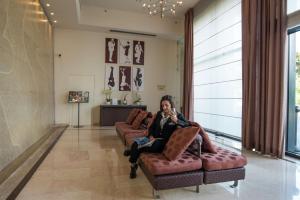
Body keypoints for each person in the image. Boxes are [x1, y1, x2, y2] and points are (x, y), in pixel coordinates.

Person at [126, 95, 189, 179]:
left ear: (171, 105)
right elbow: (152, 127)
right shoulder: (159, 114)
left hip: (161, 141)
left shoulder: (177, 115)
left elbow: (187, 124)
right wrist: (151, 135)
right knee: (135, 144)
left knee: (148, 146)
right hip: (152, 138)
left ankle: (134, 151)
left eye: (166, 105)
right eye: (162, 105)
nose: (164, 107)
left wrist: (176, 120)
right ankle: (133, 166)